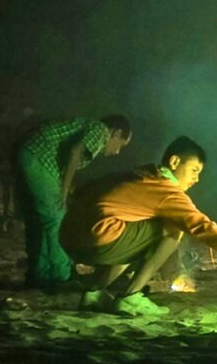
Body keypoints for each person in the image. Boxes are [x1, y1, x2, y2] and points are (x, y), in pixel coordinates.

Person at [60, 136, 217, 316]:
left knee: (135, 228)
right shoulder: (165, 190)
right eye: (194, 170)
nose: (197, 179)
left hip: (69, 237)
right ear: (175, 162)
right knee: (172, 229)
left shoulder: (140, 174)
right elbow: (203, 226)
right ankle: (130, 297)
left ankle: (95, 292)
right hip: (96, 239)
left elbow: (86, 189)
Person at [16, 114, 132, 288]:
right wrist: (63, 189)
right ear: (116, 133)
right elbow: (76, 151)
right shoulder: (100, 130)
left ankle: (39, 274)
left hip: (29, 153)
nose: (117, 152)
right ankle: (61, 275)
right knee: (57, 218)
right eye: (121, 145)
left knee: (39, 220)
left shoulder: (86, 125)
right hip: (39, 157)